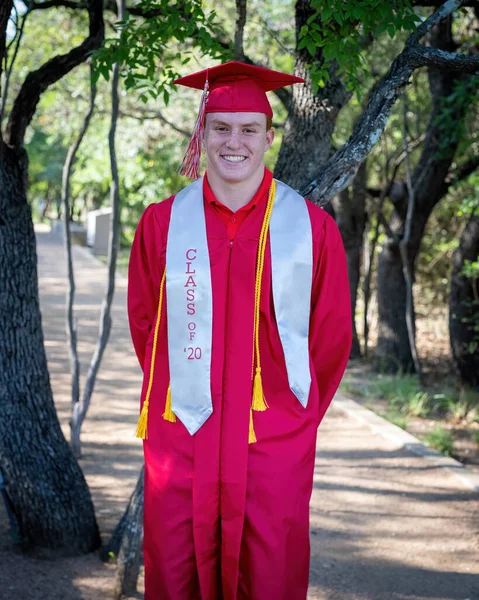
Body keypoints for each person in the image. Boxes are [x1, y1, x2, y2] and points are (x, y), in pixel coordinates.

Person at [127, 61, 352, 600]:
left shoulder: (311, 229)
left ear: (269, 138)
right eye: (221, 127)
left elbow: (331, 339)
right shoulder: (161, 223)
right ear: (201, 135)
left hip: (273, 441)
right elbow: (145, 327)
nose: (235, 141)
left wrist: (292, 416)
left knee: (269, 569)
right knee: (176, 567)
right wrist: (189, 386)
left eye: (249, 128)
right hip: (183, 433)